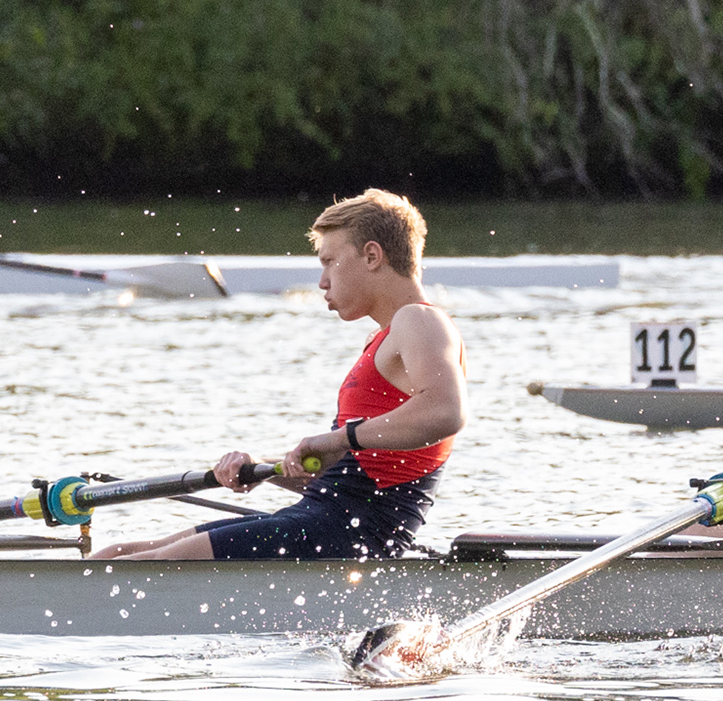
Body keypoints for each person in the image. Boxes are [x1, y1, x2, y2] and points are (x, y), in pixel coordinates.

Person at [89, 189, 467, 560]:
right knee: (118, 553)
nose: (321, 281)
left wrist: (338, 438)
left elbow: (445, 412)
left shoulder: (419, 320)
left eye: (329, 261)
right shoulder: (383, 339)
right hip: (324, 518)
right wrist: (262, 469)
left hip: (356, 533)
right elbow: (348, 472)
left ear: (371, 256)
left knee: (146, 565)